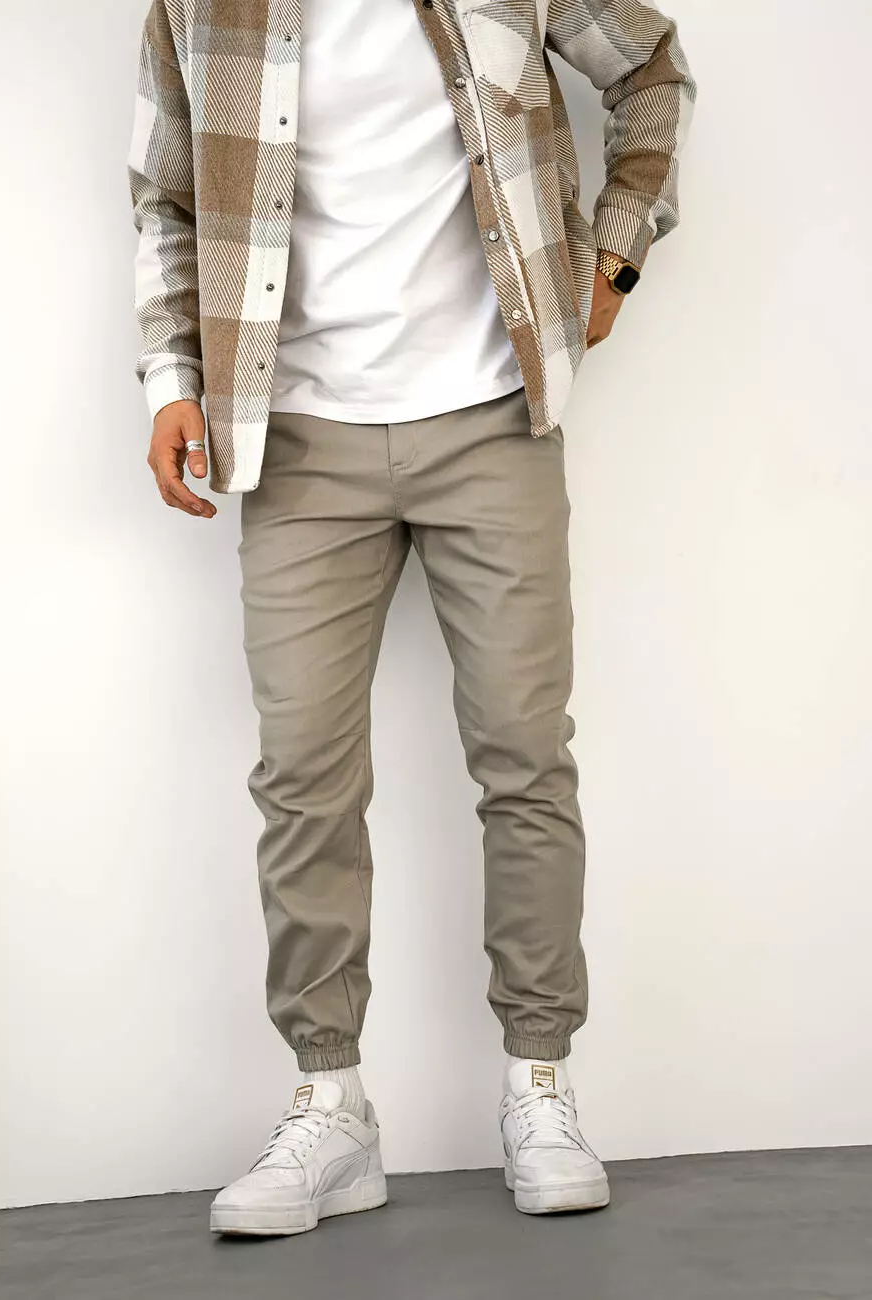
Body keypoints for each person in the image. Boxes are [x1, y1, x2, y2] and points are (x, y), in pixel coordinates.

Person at [128, 0, 695, 1236]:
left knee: (524, 757)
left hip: (492, 415)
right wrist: (171, 374)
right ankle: (330, 1104)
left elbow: (651, 68)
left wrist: (616, 254)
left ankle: (540, 1082)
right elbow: (166, 195)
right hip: (294, 436)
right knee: (303, 780)